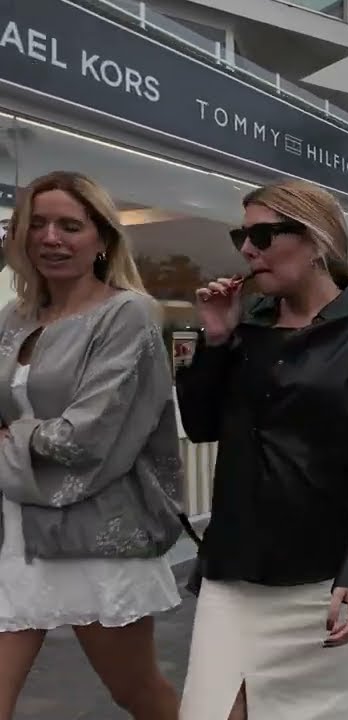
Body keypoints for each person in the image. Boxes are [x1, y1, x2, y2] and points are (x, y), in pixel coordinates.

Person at [175, 180, 348, 720]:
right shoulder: (246, 327)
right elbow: (200, 425)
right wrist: (216, 339)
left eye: (262, 234)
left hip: (331, 576)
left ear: (316, 243)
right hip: (235, 571)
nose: (247, 249)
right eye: (243, 235)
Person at [0, 171, 184, 720]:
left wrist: (11, 441)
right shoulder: (14, 318)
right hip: (14, 531)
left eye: (70, 225)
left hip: (92, 532)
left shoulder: (126, 314)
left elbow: (89, 436)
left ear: (102, 239)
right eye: (38, 224)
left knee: (138, 694)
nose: (50, 237)